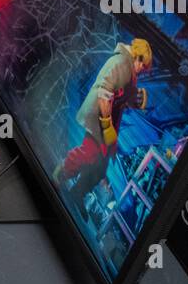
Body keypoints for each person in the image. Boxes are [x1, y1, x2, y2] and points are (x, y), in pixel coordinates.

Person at [52, 38, 153, 212]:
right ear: (138, 57)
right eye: (143, 67)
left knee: (100, 167)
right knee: (88, 153)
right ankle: (60, 175)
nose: (143, 71)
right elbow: (104, 93)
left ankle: (77, 193)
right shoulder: (122, 63)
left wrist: (135, 99)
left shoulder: (129, 69)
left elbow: (121, 96)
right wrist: (106, 126)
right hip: (99, 117)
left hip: (106, 120)